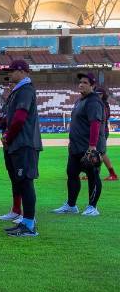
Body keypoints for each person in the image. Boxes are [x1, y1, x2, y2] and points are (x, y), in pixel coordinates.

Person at [0, 60, 42, 237]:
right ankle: (25, 221)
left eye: (12, 70)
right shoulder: (19, 90)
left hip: (24, 143)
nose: (9, 73)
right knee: (22, 182)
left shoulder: (25, 90)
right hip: (20, 143)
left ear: (23, 71)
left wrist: (8, 136)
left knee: (25, 182)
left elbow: (20, 118)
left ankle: (29, 225)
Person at [52, 72, 106, 216]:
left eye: (85, 83)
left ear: (93, 86)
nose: (81, 84)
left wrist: (92, 147)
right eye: (80, 82)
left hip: (89, 147)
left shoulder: (93, 101)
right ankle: (71, 205)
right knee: (72, 174)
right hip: (76, 147)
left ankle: (92, 207)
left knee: (93, 175)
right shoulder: (80, 101)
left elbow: (95, 124)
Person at [0, 76, 24, 223]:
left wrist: (4, 120)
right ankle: (16, 210)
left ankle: (27, 215)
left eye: (13, 83)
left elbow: (17, 120)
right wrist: (4, 119)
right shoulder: (9, 102)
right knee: (14, 178)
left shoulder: (22, 99)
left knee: (23, 179)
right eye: (9, 83)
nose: (10, 85)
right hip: (7, 145)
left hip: (19, 144)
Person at [95, 87, 117, 181]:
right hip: (100, 130)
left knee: (101, 152)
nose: (97, 96)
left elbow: (101, 118)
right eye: (96, 94)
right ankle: (94, 173)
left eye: (99, 94)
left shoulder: (103, 105)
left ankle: (113, 174)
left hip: (102, 131)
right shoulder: (102, 104)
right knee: (96, 152)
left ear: (103, 95)